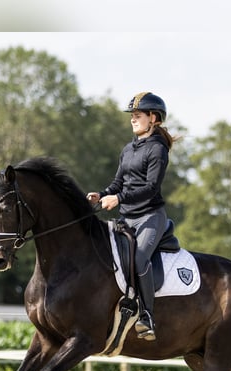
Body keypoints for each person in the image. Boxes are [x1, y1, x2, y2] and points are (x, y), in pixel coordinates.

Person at [87, 91, 176, 342]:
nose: (133, 119)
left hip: (150, 217)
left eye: (138, 115)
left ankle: (147, 316)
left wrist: (118, 199)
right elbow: (118, 182)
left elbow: (150, 188)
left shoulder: (158, 150)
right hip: (127, 218)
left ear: (153, 118)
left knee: (138, 260)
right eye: (132, 116)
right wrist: (102, 194)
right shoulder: (128, 149)